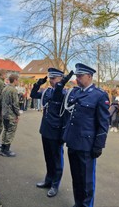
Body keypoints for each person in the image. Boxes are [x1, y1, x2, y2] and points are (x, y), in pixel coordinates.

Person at [62, 63, 110, 207]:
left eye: (80, 76)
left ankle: (86, 205)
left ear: (89, 76)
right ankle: (78, 203)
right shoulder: (76, 92)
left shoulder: (99, 95)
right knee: (76, 178)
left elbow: (103, 123)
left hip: (87, 145)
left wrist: (99, 145)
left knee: (87, 181)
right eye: (76, 76)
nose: (77, 79)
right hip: (73, 142)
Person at [30, 68, 73, 198]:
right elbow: (33, 95)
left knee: (56, 160)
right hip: (46, 130)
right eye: (50, 78)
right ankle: (48, 180)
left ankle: (55, 184)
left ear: (61, 78)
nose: (51, 81)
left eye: (54, 78)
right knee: (48, 158)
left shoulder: (64, 93)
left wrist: (61, 84)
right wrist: (38, 83)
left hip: (56, 132)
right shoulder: (48, 91)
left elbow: (58, 95)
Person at [0, 74, 20, 157]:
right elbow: (15, 104)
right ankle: (6, 150)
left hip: (5, 114)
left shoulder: (5, 88)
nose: (18, 81)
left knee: (5, 130)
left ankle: (3, 149)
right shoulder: (13, 90)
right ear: (15, 80)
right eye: (17, 80)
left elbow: (2, 101)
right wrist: (17, 114)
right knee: (10, 132)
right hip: (11, 115)